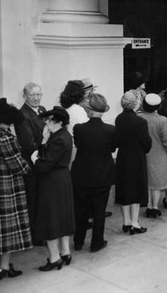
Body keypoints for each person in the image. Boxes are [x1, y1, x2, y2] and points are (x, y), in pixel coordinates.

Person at [31, 106, 75, 271]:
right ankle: (65, 252)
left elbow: (44, 164)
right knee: (61, 217)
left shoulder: (58, 139)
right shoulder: (62, 136)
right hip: (61, 179)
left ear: (60, 122)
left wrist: (34, 159)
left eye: (50, 120)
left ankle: (54, 258)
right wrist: (43, 141)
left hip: (52, 181)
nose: (46, 122)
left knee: (50, 218)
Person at [71, 94, 117, 253]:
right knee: (99, 210)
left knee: (81, 209)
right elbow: (112, 148)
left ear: (89, 110)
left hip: (82, 174)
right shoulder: (110, 130)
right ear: (103, 111)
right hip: (103, 174)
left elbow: (78, 145)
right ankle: (96, 242)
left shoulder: (79, 129)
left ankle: (78, 241)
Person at [0, 99, 31, 280]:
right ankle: (3, 266)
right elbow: (18, 166)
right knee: (7, 229)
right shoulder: (5, 138)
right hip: (6, 188)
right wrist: (30, 164)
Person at [115, 91, 152, 235]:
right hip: (137, 159)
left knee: (125, 190)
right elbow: (147, 143)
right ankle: (135, 223)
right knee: (136, 191)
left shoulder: (118, 119)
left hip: (123, 158)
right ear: (136, 103)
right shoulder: (140, 121)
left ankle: (126, 222)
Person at [14, 82, 46, 246]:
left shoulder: (42, 110)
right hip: (33, 164)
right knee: (33, 199)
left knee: (42, 198)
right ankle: (35, 235)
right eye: (32, 95)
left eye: (38, 94)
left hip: (44, 162)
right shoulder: (22, 115)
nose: (36, 98)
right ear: (24, 96)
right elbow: (28, 143)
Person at [139, 94, 167, 218]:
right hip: (159, 154)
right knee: (156, 184)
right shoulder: (162, 120)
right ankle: (154, 207)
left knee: (148, 182)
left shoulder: (139, 117)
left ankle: (148, 205)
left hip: (143, 153)